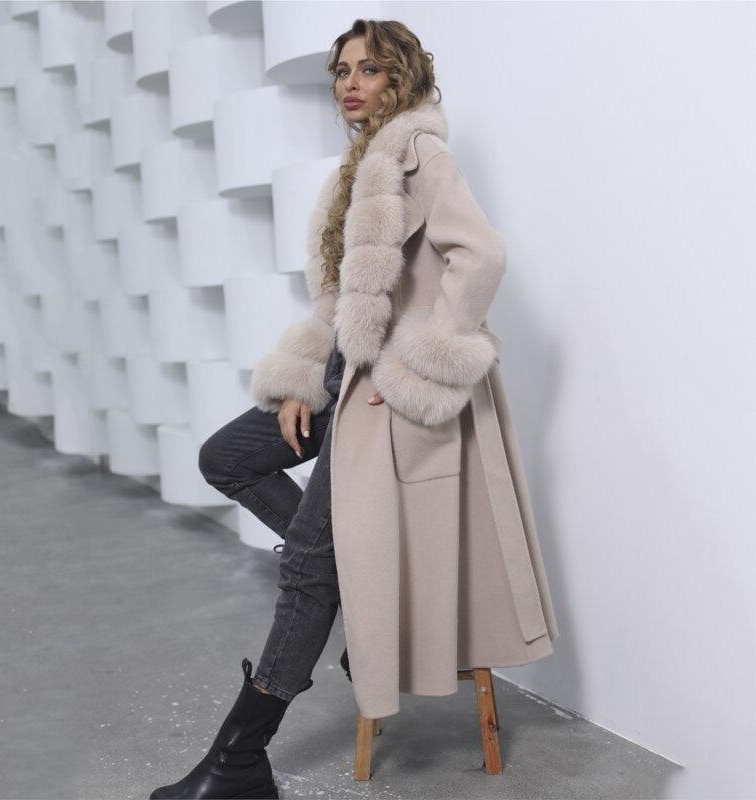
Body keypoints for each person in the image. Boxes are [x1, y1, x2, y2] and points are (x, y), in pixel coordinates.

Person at [149, 17, 560, 800]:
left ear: (401, 75)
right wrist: (306, 380)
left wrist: (412, 364)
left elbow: (482, 255)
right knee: (228, 457)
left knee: (306, 564)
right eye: (341, 71)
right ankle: (341, 571)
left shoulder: (420, 153)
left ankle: (240, 758)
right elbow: (345, 303)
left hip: (385, 392)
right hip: (342, 377)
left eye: (369, 69)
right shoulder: (357, 169)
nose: (350, 83)